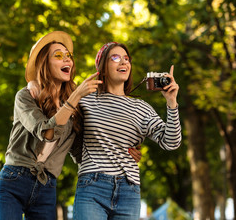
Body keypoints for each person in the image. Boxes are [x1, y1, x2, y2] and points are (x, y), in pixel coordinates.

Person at [0, 31, 103, 220]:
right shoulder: (26, 97)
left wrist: (122, 150)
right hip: (14, 179)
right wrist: (75, 98)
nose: (66, 59)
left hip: (47, 186)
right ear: (45, 63)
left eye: (68, 56)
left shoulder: (77, 110)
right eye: (58, 56)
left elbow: (82, 152)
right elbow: (46, 132)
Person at [72, 42, 182, 220]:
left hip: (128, 190)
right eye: (115, 58)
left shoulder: (140, 108)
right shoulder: (85, 101)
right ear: (103, 67)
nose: (123, 62)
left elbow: (171, 142)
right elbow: (64, 135)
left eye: (126, 59)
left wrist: (171, 102)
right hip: (92, 186)